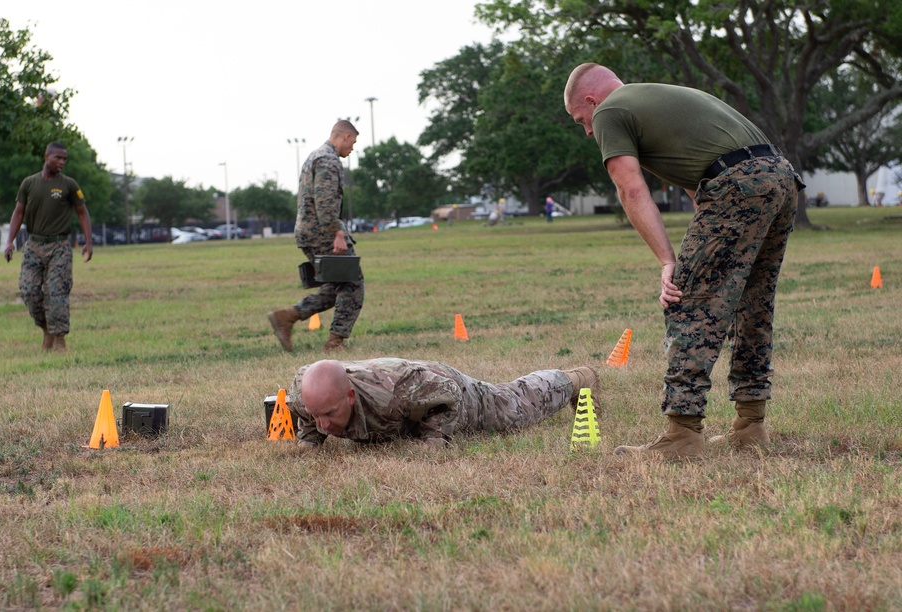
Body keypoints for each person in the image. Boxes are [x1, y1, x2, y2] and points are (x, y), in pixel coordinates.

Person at [563, 63, 803, 458]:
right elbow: (701, 187)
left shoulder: (609, 111)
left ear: (591, 100)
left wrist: (667, 262)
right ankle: (750, 426)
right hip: (780, 177)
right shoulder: (658, 96)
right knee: (752, 306)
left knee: (687, 303)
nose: (588, 130)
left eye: (580, 120)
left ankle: (682, 435)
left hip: (738, 184)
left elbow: (631, 190)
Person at [286, 358, 600, 448]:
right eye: (317, 416)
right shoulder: (304, 396)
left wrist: (434, 439)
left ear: (350, 396)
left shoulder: (399, 390)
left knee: (515, 409)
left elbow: (446, 395)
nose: (324, 423)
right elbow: (307, 415)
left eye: (330, 414)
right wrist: (310, 439)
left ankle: (576, 378)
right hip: (406, 407)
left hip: (446, 387)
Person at [267, 120, 364, 352]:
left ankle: (287, 317)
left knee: (338, 286)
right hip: (323, 233)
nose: (352, 149)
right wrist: (338, 233)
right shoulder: (328, 160)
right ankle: (334, 342)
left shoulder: (315, 156)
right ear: (345, 137)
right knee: (353, 284)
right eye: (353, 143)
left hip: (309, 232)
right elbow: (325, 202)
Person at [4, 141, 93, 351]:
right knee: (29, 290)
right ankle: (46, 329)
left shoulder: (69, 185)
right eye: (58, 158)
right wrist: (10, 241)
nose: (62, 162)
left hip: (59, 246)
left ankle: (59, 339)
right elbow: (18, 212)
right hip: (34, 244)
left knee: (56, 292)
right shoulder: (29, 183)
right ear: (46, 157)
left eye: (64, 159)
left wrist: (88, 242)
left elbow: (82, 212)